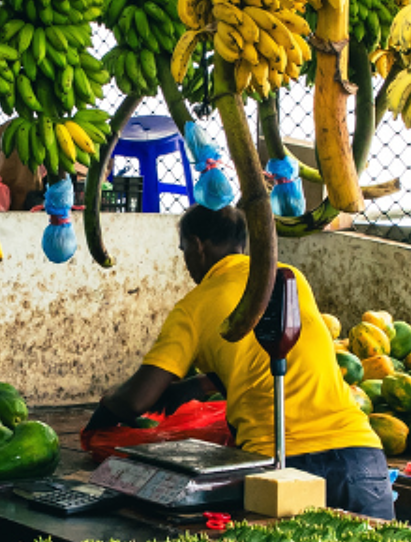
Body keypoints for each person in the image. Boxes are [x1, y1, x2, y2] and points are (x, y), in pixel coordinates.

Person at [85, 205, 394, 518]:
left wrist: (106, 408)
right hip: (361, 455)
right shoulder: (290, 277)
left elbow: (138, 399)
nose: (187, 262)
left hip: (283, 466)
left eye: (184, 251)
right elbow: (272, 354)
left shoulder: (193, 308)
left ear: (197, 245)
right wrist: (196, 386)